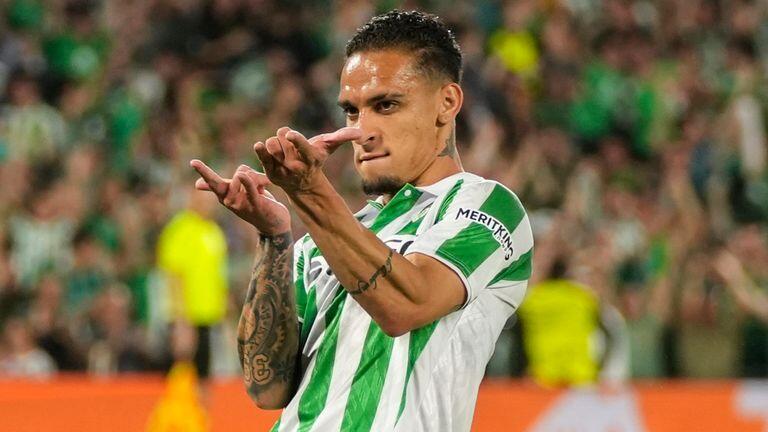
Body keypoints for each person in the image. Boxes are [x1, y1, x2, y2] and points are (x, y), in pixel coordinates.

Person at [191, 11, 533, 432]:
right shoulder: (321, 240)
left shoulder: (485, 207)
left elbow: (406, 306)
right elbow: (266, 389)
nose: (362, 131)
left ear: (447, 103)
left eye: (386, 105)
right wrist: (275, 238)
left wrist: (309, 194)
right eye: (351, 112)